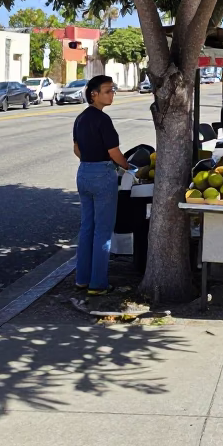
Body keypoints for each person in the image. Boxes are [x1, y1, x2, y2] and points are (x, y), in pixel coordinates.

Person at [72, 75, 131, 295]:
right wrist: (128, 167)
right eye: (107, 90)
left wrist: (90, 160)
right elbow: (114, 152)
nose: (112, 94)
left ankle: (82, 279)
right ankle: (98, 284)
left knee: (87, 227)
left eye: (112, 90)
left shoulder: (80, 118)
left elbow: (76, 149)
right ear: (93, 94)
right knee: (103, 232)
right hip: (102, 174)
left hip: (84, 172)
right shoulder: (103, 120)